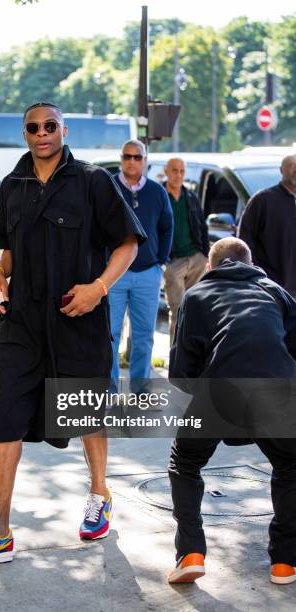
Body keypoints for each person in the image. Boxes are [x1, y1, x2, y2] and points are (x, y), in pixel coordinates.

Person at [0, 101, 146, 567]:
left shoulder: (95, 180)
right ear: (24, 133)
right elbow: (8, 249)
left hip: (76, 317)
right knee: (6, 412)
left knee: (86, 411)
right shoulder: (13, 184)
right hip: (21, 324)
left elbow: (128, 243)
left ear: (63, 129)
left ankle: (99, 493)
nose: (41, 133)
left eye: (49, 126)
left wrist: (99, 289)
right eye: (33, 127)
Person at [167, 237, 296, 585]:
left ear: (210, 267)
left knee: (185, 464)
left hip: (221, 387)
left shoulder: (196, 296)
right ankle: (285, 562)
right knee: (290, 465)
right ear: (251, 263)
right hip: (279, 389)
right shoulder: (276, 292)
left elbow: (180, 374)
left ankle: (190, 553)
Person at [109, 139, 173, 394]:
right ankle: (110, 390)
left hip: (147, 273)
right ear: (121, 158)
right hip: (112, 275)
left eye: (138, 157)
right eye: (128, 156)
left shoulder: (157, 192)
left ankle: (140, 389)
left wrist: (161, 260)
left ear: (145, 160)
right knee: (109, 335)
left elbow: (167, 227)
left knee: (144, 336)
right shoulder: (108, 186)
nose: (132, 161)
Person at [163, 157, 209, 341]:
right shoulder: (160, 194)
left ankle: (192, 354)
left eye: (182, 171)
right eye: (174, 170)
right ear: (166, 171)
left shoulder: (190, 196)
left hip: (196, 258)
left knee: (195, 309)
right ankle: (175, 355)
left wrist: (204, 254)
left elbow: (202, 226)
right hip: (173, 261)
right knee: (178, 309)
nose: (179, 175)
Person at [238, 154, 296, 299]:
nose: (295, 170)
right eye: (291, 165)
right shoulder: (263, 200)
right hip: (273, 287)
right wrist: (257, 275)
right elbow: (245, 241)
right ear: (281, 170)